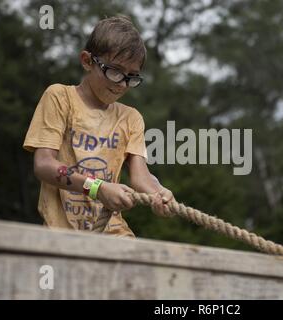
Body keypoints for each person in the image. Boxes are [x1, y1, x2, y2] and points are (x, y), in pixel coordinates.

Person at [23, 15, 174, 237]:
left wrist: (159, 193)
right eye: (114, 71)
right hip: (62, 235)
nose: (121, 84)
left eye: (131, 77)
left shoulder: (130, 118)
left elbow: (140, 177)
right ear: (87, 61)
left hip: (113, 232)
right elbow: (44, 165)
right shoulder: (59, 98)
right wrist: (98, 188)